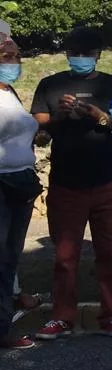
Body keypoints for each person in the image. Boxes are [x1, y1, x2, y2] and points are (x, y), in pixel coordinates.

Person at [31, 27, 112, 341]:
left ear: (97, 55)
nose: (81, 59)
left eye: (87, 54)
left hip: (109, 182)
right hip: (67, 184)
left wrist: (102, 117)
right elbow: (37, 134)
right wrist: (58, 118)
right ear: (67, 55)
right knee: (65, 257)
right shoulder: (51, 86)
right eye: (75, 53)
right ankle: (61, 317)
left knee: (111, 254)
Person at [0, 37, 41, 350]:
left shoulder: (8, 91)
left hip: (21, 182)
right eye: (5, 55)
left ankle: (4, 322)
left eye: (15, 55)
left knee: (10, 257)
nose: (12, 61)